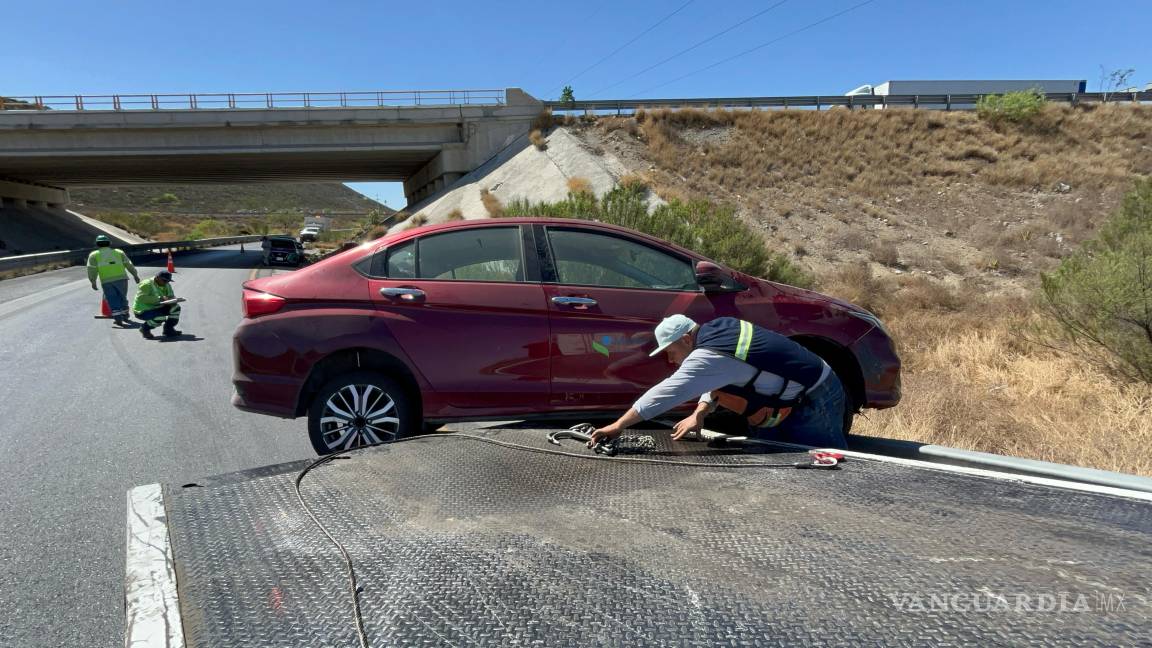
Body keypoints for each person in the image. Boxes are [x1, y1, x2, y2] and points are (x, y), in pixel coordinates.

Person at [589, 315, 849, 450]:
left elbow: (667, 392)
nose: (670, 358)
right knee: (777, 455)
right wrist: (700, 412)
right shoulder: (718, 330)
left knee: (825, 460)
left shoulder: (709, 355)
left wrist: (618, 425)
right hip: (797, 390)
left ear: (686, 340)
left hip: (817, 394)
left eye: (670, 350)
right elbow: (721, 374)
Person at [86, 234, 139, 325]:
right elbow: (128, 264)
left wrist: (93, 281)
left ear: (97, 244)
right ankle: (125, 314)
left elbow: (91, 269)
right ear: (109, 243)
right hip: (121, 279)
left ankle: (118, 317)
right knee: (122, 297)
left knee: (112, 298)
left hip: (107, 281)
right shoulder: (119, 252)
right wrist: (135, 275)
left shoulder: (94, 255)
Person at [133, 270, 184, 339]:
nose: (166, 283)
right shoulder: (146, 284)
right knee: (160, 318)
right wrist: (160, 298)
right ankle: (144, 329)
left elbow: (170, 295)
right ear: (157, 277)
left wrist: (173, 300)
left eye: (168, 281)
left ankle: (168, 330)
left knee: (176, 308)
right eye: (164, 280)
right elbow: (142, 298)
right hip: (143, 310)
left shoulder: (166, 284)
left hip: (157, 307)